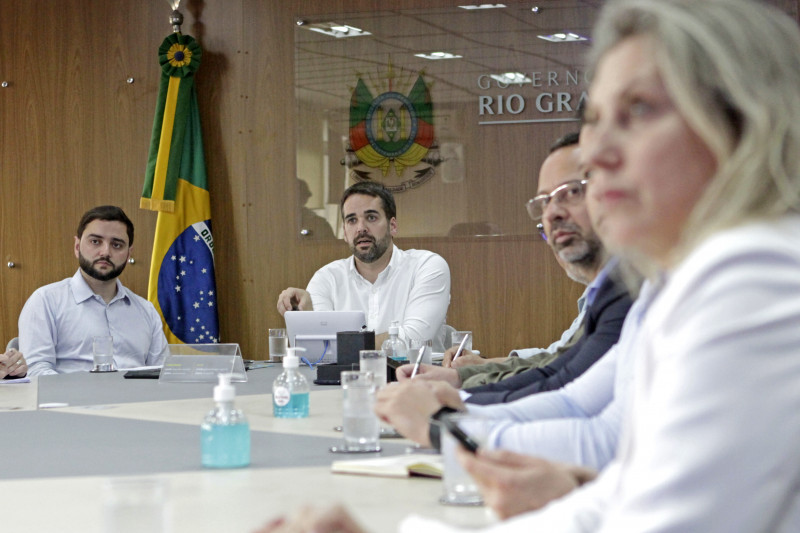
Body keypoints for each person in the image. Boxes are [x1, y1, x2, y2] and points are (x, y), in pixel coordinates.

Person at [256, 0, 800, 530]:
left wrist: (445, 426)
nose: (599, 153)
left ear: (746, 121)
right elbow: (614, 470)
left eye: (639, 110)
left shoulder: (753, 279)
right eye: (597, 118)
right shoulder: (673, 282)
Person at [392, 136, 635, 407]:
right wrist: (458, 380)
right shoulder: (604, 292)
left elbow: (561, 383)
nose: (553, 212)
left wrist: (457, 402)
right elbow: (554, 364)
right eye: (544, 201)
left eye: (571, 192)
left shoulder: (631, 290)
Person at [277, 181, 451, 351]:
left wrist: (343, 345)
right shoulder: (326, 278)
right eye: (352, 220)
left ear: (393, 226)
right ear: (344, 232)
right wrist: (305, 314)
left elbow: (415, 339)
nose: (361, 228)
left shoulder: (426, 267)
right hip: (346, 379)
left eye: (371, 217)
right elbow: (319, 349)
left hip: (418, 377)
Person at [20, 206, 168, 376]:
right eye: (95, 241)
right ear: (77, 247)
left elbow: (162, 373)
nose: (105, 252)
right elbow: (35, 372)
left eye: (117, 245)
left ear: (128, 255)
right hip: (71, 401)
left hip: (138, 400)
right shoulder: (45, 301)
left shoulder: (146, 311)